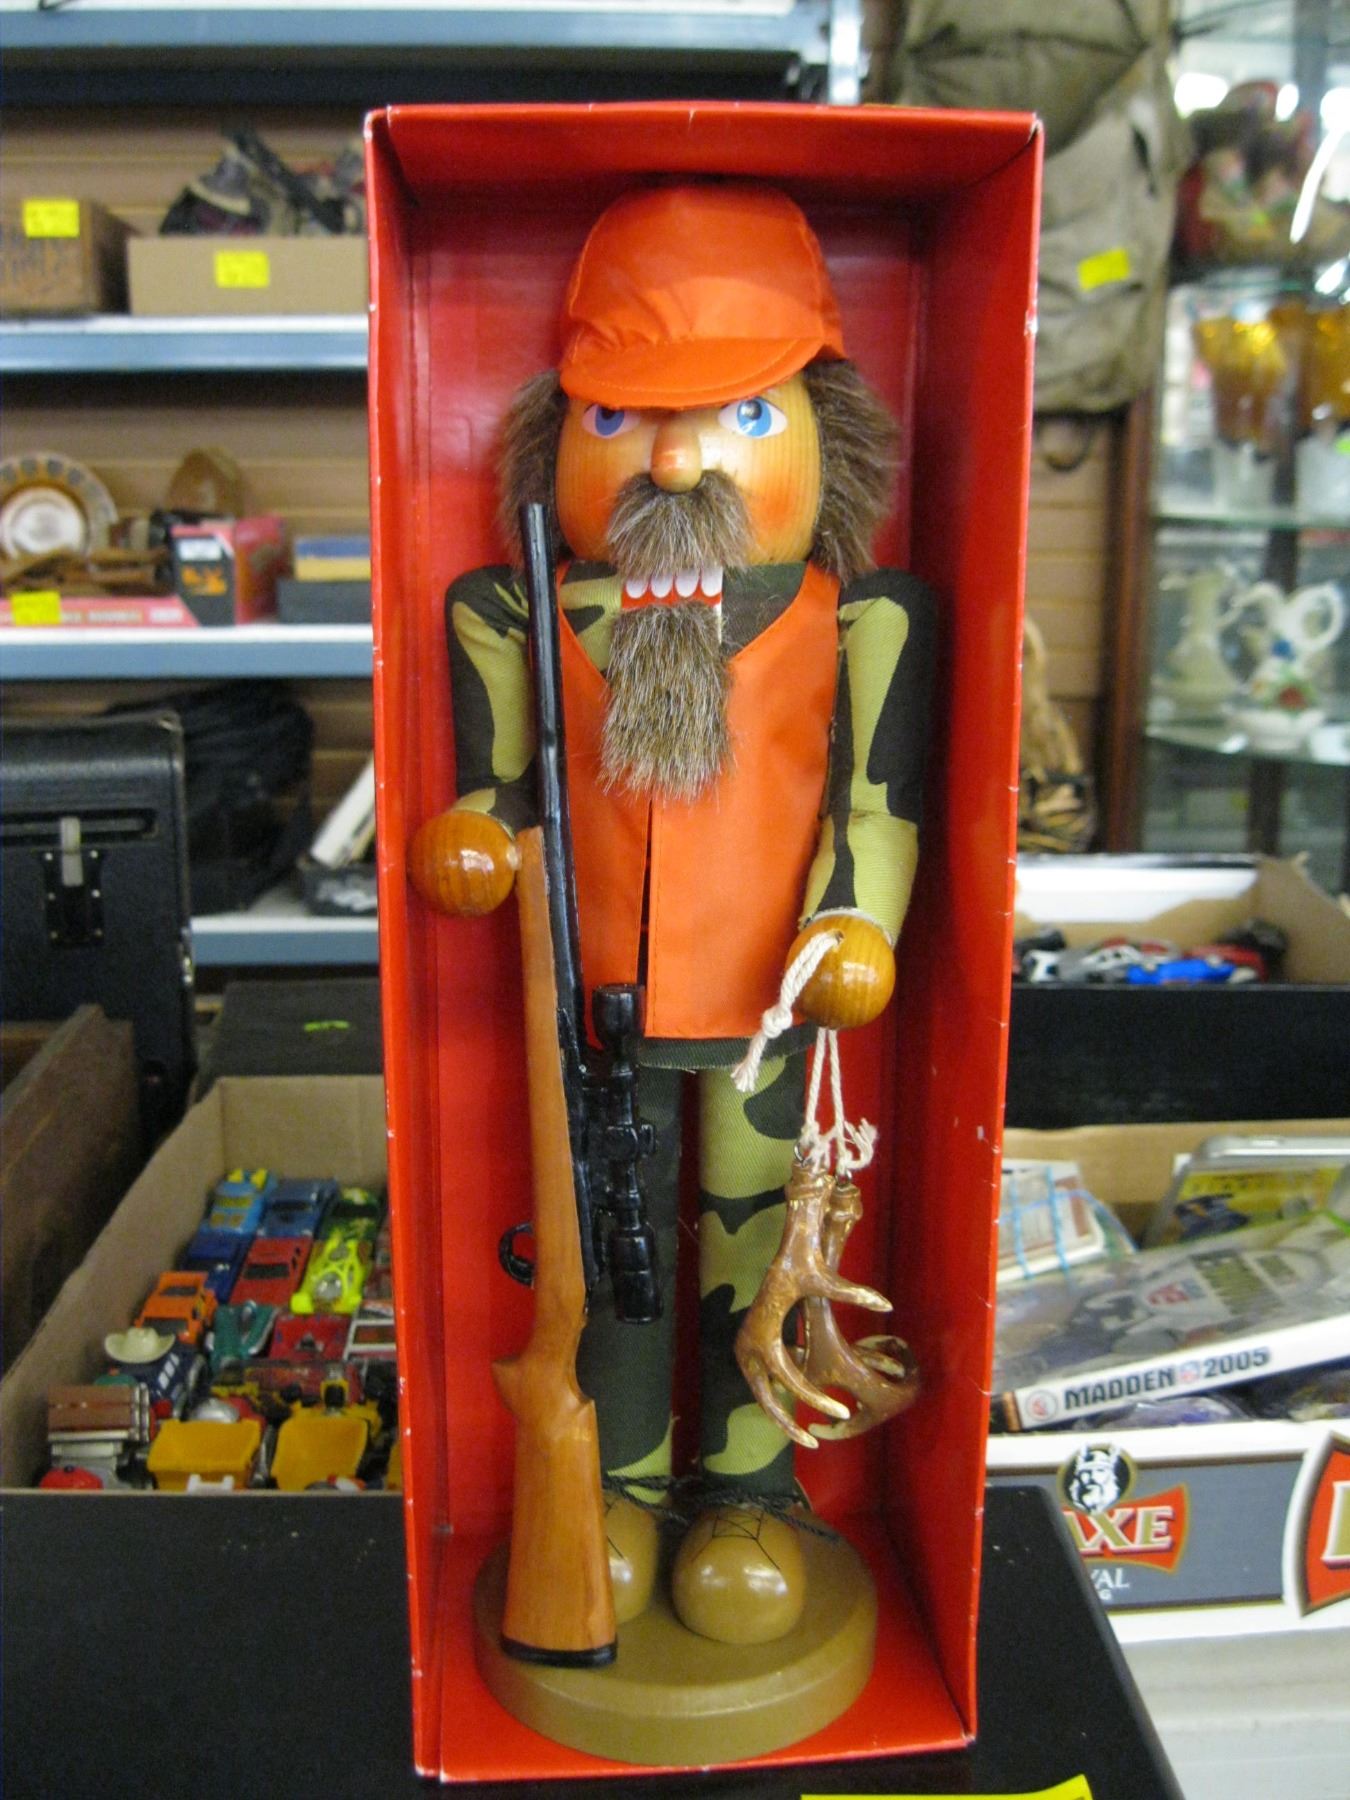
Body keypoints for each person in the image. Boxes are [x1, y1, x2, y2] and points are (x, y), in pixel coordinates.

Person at [409, 182, 934, 1644]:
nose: (679, 456)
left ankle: (752, 1489)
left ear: (826, 432)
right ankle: (625, 1484)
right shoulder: (518, 610)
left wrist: (854, 929)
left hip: (770, 1011)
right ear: (555, 435)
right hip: (593, 1018)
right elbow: (497, 793)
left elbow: (875, 813)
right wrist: (471, 841)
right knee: (613, 1256)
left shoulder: (859, 620)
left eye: (741, 413)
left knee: (758, 1244)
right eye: (621, 417)